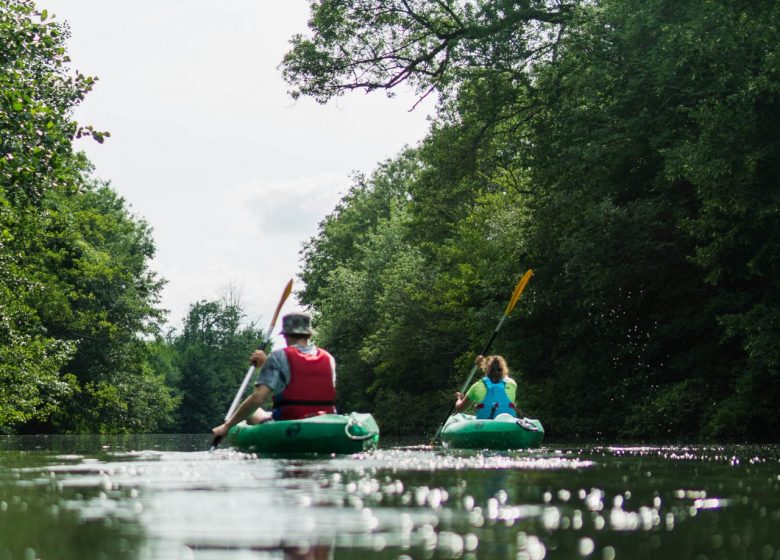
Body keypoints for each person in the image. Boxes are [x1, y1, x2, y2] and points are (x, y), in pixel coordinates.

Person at [211, 312, 336, 438]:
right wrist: (266, 364)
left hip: (289, 422)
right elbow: (306, 382)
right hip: (325, 422)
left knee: (253, 412)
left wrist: (227, 426)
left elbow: (258, 398)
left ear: (285, 335)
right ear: (308, 334)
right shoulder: (328, 358)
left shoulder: (278, 356)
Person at [454, 355, 518, 419]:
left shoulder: (477, 386)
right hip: (507, 423)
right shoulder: (512, 384)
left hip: (485, 424)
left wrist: (459, 398)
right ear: (503, 369)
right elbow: (501, 376)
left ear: (487, 369)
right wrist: (483, 364)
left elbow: (459, 409)